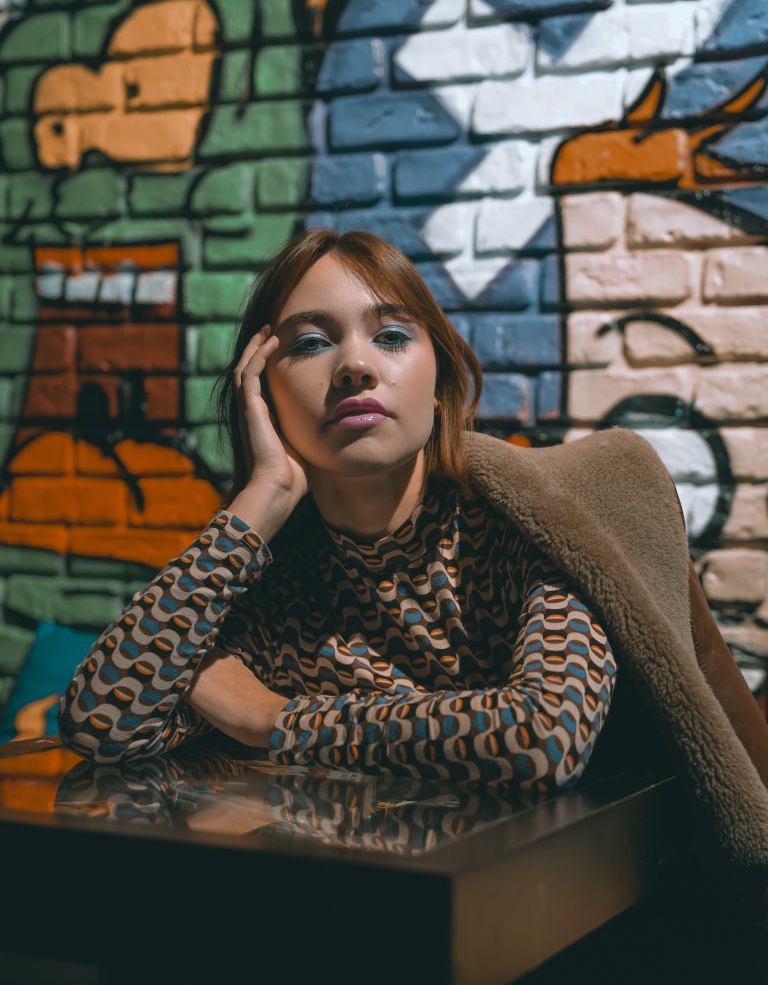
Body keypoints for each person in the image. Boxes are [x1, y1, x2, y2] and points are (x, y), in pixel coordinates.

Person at [59, 228, 768, 866]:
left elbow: (543, 738)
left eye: (392, 336)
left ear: (438, 383)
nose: (354, 366)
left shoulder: (532, 522)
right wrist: (260, 500)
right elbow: (99, 721)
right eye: (311, 343)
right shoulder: (273, 587)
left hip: (605, 911)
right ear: (263, 397)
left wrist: (272, 718)